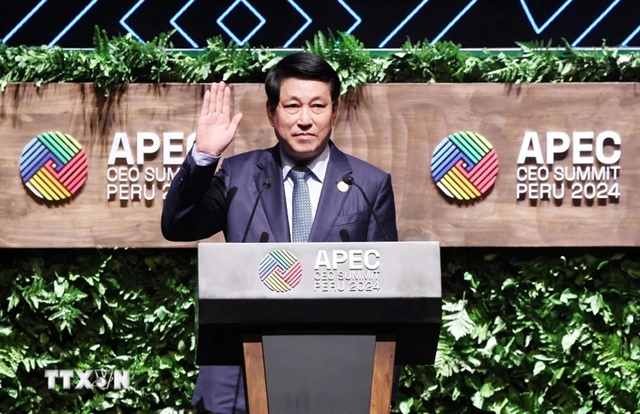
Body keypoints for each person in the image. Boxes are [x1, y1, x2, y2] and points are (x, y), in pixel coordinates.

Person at [162, 52, 398, 414]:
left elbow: (388, 296)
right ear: (272, 113)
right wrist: (205, 156)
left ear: (334, 112)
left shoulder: (369, 184)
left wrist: (379, 387)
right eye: (292, 106)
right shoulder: (238, 175)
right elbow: (178, 226)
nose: (305, 120)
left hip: (336, 379)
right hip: (240, 379)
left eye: (318, 106)